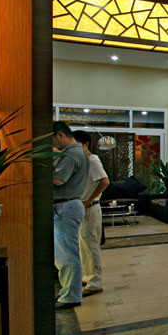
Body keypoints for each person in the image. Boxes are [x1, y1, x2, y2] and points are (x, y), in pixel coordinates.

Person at [52, 121, 88, 309]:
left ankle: (71, 296)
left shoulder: (72, 153)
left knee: (67, 254)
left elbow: (58, 179)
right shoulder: (75, 152)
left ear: (60, 135)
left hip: (67, 206)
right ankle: (69, 292)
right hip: (68, 205)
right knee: (65, 253)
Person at [73, 130, 109, 297]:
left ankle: (95, 282)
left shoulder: (92, 160)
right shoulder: (81, 162)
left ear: (85, 144)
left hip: (90, 208)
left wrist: (88, 200)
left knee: (91, 245)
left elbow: (104, 181)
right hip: (82, 208)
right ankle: (88, 277)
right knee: (84, 246)